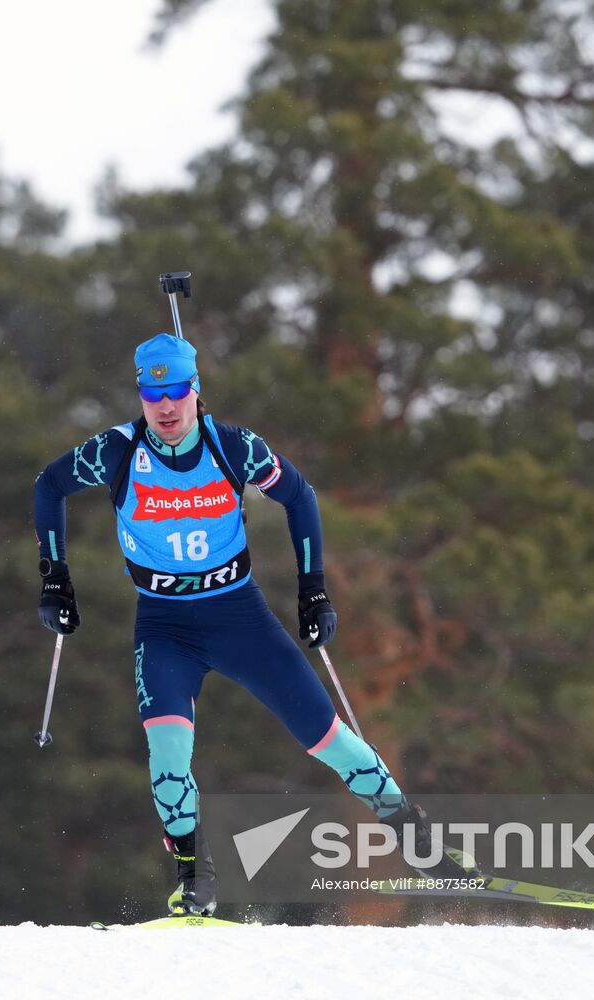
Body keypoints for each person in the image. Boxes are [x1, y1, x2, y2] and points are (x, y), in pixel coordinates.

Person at [32, 332, 467, 917]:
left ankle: (418, 841)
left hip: (241, 618)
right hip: (164, 627)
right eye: (153, 394)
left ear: (196, 391)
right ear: (140, 394)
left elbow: (300, 496)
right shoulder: (116, 451)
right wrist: (55, 577)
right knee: (167, 759)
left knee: (331, 741)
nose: (165, 408)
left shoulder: (234, 448)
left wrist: (313, 591)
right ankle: (195, 879)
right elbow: (49, 485)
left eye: (177, 392)